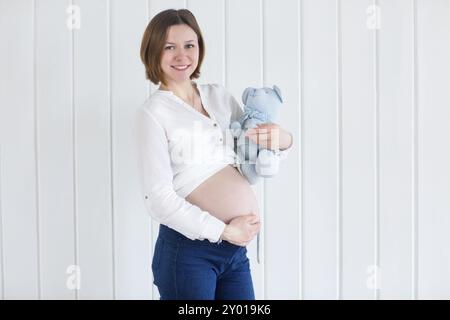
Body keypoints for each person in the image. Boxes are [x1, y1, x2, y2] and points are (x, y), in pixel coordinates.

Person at [136, 9, 293, 300]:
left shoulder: (218, 95)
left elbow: (252, 151)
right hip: (188, 253)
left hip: (235, 253)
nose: (182, 55)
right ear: (153, 51)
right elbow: (158, 199)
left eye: (189, 45)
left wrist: (284, 141)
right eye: (169, 47)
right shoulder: (154, 112)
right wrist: (223, 230)